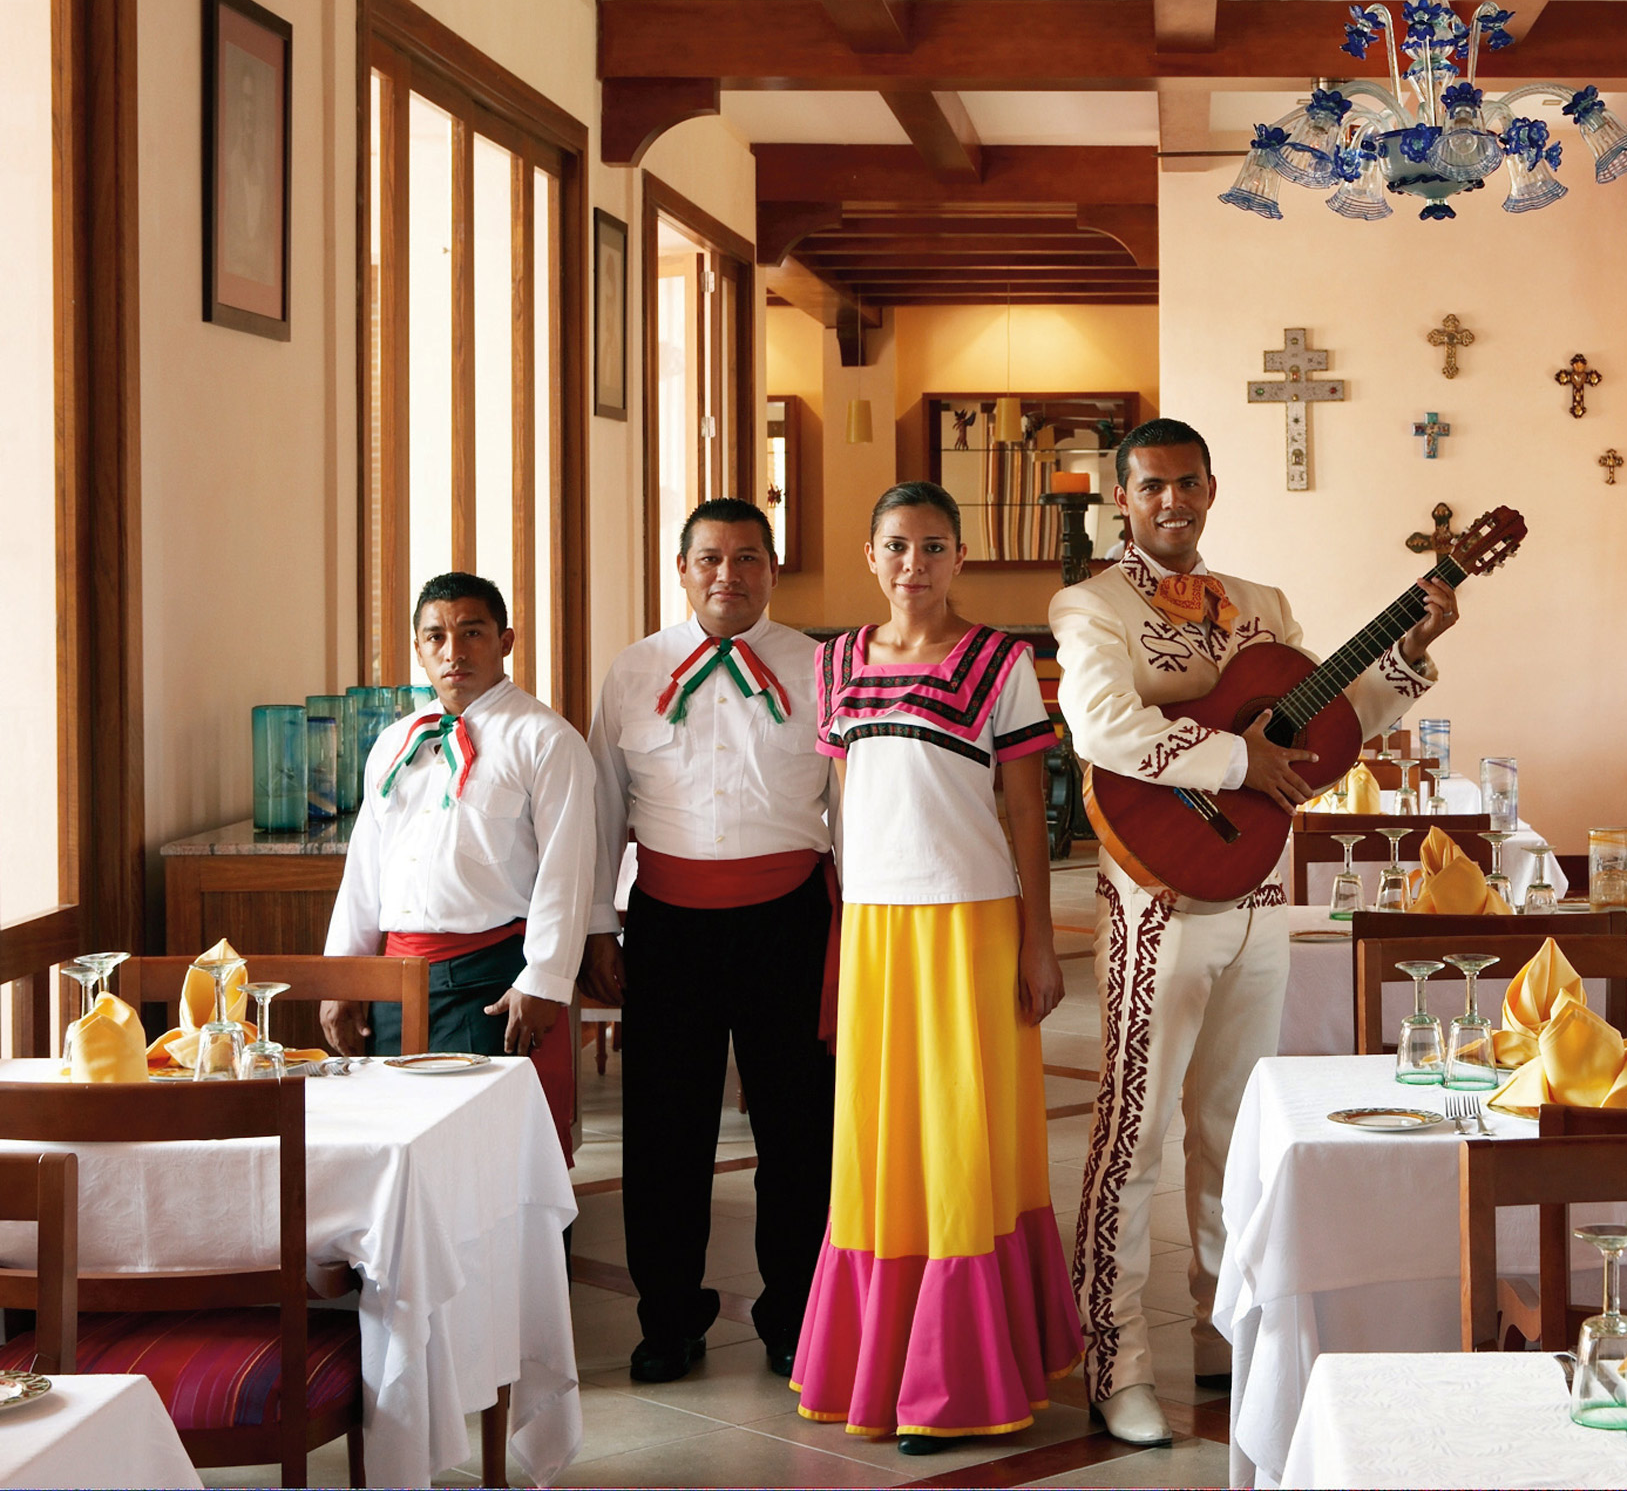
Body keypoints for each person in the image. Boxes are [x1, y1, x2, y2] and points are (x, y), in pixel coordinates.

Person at [1051, 418, 1459, 1445]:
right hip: (1158, 894)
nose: (1172, 503)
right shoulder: (1091, 606)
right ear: (1123, 497)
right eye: (1151, 488)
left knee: (1235, 1131)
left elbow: (1333, 726)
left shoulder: (1263, 609)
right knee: (1135, 1133)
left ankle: (1226, 1336)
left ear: (1213, 487)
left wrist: (1408, 654)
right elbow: (1105, 728)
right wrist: (1241, 764)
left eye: (1188, 484)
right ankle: (1118, 1361)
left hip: (1261, 892)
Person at [795, 482, 1083, 1453]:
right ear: (870, 557)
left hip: (971, 921)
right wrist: (842, 931)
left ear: (959, 557)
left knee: (964, 1134)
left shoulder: (1001, 661)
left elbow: (1028, 808)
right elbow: (844, 809)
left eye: (932, 546)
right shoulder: (835, 664)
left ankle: (960, 1375)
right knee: (879, 1142)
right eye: (896, 547)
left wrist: (1040, 937)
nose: (913, 564)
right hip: (877, 928)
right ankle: (880, 1360)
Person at [586, 497, 838, 1384]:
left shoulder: (819, 667)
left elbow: (845, 811)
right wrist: (595, 925)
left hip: (789, 921)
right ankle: (668, 1318)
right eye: (709, 559)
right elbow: (603, 808)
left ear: (772, 567)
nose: (727, 573)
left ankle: (795, 1313)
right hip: (669, 924)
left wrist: (848, 928)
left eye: (746, 557)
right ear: (682, 569)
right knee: (665, 1134)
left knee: (799, 1131)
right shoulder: (632, 670)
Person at [321, 572, 603, 1160]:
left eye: (472, 632)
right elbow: (363, 871)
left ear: (505, 640)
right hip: (397, 985)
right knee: (401, 1148)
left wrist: (544, 982)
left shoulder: (546, 740)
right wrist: (344, 978)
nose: (454, 652)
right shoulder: (395, 743)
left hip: (494, 980)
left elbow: (567, 869)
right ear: (419, 650)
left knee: (500, 1155)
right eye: (436, 638)